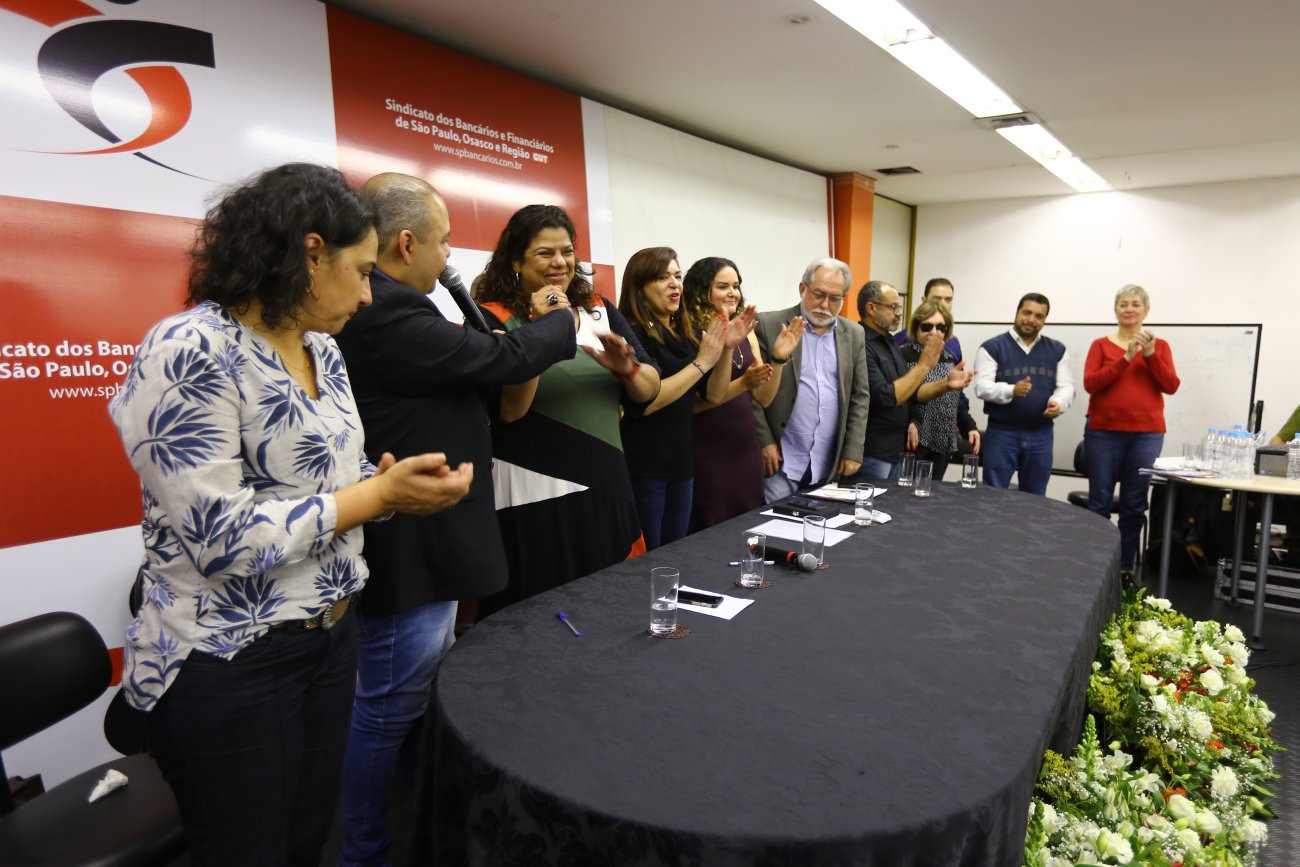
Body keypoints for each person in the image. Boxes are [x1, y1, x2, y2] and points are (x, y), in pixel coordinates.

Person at [107, 163, 473, 867]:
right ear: (310, 254)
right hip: (232, 660)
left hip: (331, 638)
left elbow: (325, 487)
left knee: (308, 841)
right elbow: (220, 537)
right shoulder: (190, 349)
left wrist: (389, 483)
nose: (369, 296)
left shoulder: (325, 352)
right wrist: (372, 498)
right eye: (361, 271)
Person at [332, 174, 578, 867]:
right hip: (405, 540)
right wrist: (561, 321)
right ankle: (363, 851)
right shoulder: (383, 311)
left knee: (410, 703)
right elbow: (504, 358)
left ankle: (413, 833)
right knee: (385, 710)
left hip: (431, 535)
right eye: (442, 243)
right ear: (406, 242)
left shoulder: (413, 303)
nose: (449, 258)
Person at [474, 205, 661, 613]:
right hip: (534, 486)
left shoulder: (598, 307)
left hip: (606, 480)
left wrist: (626, 369)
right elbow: (510, 413)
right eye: (545, 253)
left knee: (610, 607)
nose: (560, 262)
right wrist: (543, 330)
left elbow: (649, 389)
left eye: (567, 251)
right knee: (540, 616)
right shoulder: (492, 316)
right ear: (516, 260)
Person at [617, 247, 753, 548]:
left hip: (681, 466)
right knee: (648, 560)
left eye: (677, 276)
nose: (675, 284)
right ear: (639, 288)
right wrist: (702, 362)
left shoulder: (684, 333)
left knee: (675, 554)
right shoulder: (633, 333)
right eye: (663, 277)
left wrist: (727, 348)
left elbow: (714, 395)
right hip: (645, 469)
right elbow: (648, 401)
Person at [683, 256, 803, 529]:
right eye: (723, 286)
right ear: (702, 290)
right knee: (710, 528)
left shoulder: (746, 332)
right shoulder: (692, 331)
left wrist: (778, 359)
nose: (733, 293)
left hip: (745, 448)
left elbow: (763, 397)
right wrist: (744, 381)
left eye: (736, 285)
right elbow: (706, 398)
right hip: (708, 446)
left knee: (746, 529)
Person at [1083, 284, 1181, 581]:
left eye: (1135, 304)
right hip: (1103, 432)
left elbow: (1170, 385)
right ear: (1116, 310)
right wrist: (1125, 358)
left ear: (1146, 311)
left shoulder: (1159, 346)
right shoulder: (1101, 345)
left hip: (1146, 434)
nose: (1129, 308)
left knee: (1134, 504)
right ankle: (1095, 567)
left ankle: (1124, 567)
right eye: (1123, 304)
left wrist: (1149, 354)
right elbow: (1092, 384)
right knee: (1099, 502)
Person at [753, 257, 870, 502]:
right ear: (802, 288)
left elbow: (860, 396)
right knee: (774, 532)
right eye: (818, 294)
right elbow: (752, 392)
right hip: (781, 461)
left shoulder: (854, 334)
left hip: (828, 464)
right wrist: (764, 441)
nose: (825, 304)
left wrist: (853, 450)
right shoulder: (770, 324)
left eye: (834, 298)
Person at [858, 281, 972, 480]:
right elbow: (886, 395)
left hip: (903, 446)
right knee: (872, 505)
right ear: (871, 308)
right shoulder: (863, 342)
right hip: (879, 448)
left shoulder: (890, 342)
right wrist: (925, 365)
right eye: (893, 307)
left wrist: (946, 386)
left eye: (941, 327)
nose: (899, 313)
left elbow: (913, 393)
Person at [973, 293, 1075, 496]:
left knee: (1035, 499)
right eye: (1027, 313)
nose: (1031, 320)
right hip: (1002, 434)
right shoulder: (992, 347)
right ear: (1017, 312)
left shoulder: (1057, 350)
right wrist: (1012, 390)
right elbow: (981, 387)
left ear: (1045, 320)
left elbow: (1067, 387)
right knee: (993, 496)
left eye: (1039, 316)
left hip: (1041, 435)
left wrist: (1058, 403)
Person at [900, 299, 981, 480]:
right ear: (916, 327)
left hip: (943, 440)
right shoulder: (902, 355)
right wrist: (909, 422)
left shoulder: (948, 358)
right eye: (927, 327)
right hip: (914, 439)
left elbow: (955, 399)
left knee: (932, 498)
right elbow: (900, 396)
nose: (934, 332)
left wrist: (970, 427)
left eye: (941, 328)